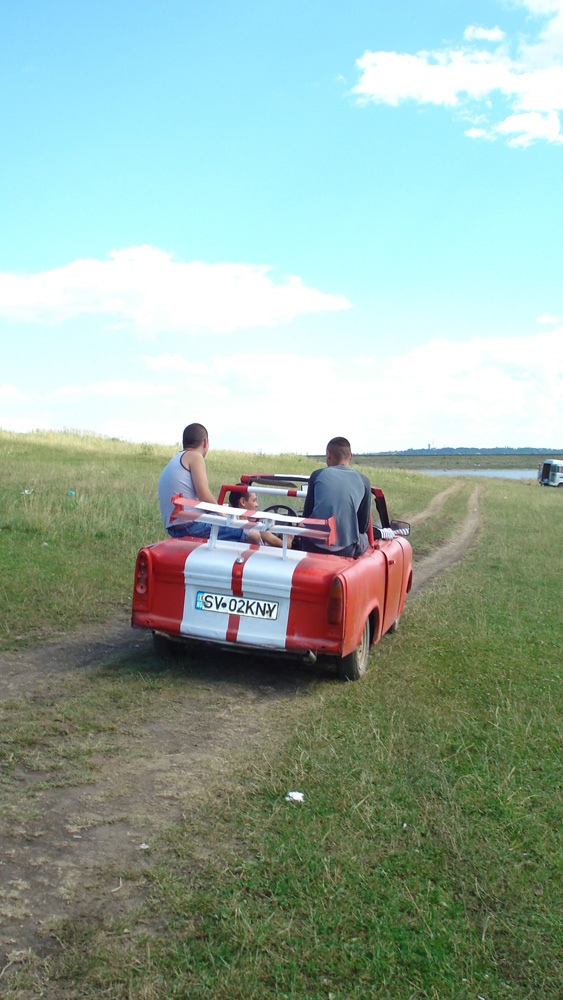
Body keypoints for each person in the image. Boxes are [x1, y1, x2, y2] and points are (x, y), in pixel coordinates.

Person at [158, 423, 260, 543]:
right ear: (205, 442)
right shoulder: (195, 457)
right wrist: (224, 516)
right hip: (192, 525)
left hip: (174, 527)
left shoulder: (175, 459)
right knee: (253, 534)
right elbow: (204, 495)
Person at [301, 436, 371, 557]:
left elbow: (306, 516)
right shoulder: (364, 480)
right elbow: (363, 526)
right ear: (351, 456)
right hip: (345, 549)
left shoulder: (317, 475)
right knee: (364, 537)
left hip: (314, 546)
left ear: (328, 454)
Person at [227, 487, 293, 549]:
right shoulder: (257, 528)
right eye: (254, 500)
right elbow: (286, 546)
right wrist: (289, 537)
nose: (257, 505)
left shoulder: (227, 525)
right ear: (243, 502)